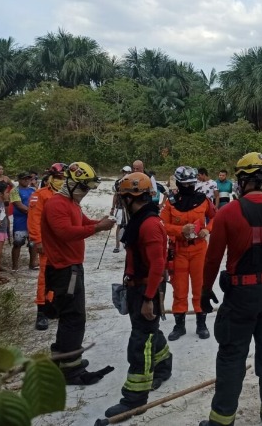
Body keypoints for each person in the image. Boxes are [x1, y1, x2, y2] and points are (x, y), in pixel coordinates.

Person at [197, 152, 262, 426]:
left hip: (240, 298)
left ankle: (221, 421)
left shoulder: (228, 212)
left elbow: (213, 258)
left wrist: (205, 292)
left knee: (231, 357)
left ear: (241, 181)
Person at [103, 173, 174, 418]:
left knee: (140, 342)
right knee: (149, 330)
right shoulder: (139, 221)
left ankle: (134, 398)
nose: (121, 202)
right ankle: (164, 365)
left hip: (147, 289)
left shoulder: (149, 224)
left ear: (131, 198)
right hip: (138, 287)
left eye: (123, 198)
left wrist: (148, 299)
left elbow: (157, 265)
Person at [40, 161, 117, 385]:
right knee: (73, 319)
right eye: (84, 188)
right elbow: (65, 233)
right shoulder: (57, 205)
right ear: (72, 184)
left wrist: (100, 222)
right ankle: (70, 371)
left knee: (71, 317)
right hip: (64, 269)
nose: (86, 193)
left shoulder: (72, 204)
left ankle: (63, 361)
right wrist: (97, 228)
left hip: (72, 267)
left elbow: (84, 223)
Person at [161, 166, 216, 341]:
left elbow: (216, 217)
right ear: (178, 183)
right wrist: (180, 230)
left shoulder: (203, 200)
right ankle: (179, 325)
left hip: (200, 249)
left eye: (191, 183)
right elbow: (162, 226)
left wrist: (207, 229)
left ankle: (202, 323)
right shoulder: (171, 203)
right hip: (179, 250)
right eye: (184, 184)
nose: (188, 187)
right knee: (180, 288)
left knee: (200, 286)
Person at [29, 163, 66, 330]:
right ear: (51, 177)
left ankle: (55, 307)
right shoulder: (41, 195)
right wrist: (38, 241)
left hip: (63, 244)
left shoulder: (66, 195)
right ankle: (41, 312)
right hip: (47, 244)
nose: (61, 181)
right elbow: (34, 219)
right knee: (44, 278)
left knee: (61, 277)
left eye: (63, 178)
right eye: (58, 178)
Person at [10, 172, 36, 271]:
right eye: (24, 179)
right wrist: (34, 213)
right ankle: (15, 266)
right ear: (19, 180)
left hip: (32, 221)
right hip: (20, 220)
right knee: (18, 243)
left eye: (28, 179)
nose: (26, 180)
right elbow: (19, 205)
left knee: (33, 242)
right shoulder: (15, 190)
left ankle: (33, 264)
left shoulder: (33, 190)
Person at [111, 165, 133, 254]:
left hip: (130, 207)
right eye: (123, 172)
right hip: (120, 207)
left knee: (129, 225)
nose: (124, 174)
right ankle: (117, 245)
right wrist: (112, 207)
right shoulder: (117, 183)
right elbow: (115, 195)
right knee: (119, 226)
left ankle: (127, 243)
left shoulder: (133, 182)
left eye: (126, 172)